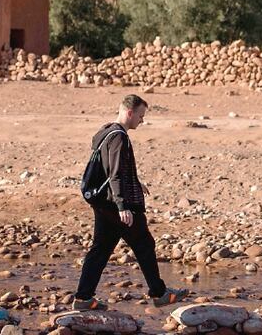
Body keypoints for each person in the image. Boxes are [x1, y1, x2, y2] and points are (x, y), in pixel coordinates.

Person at [74, 94, 188, 310]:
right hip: (116, 204)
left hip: (103, 201)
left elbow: (111, 169)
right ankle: (159, 293)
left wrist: (136, 181)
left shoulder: (106, 132)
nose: (142, 121)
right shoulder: (119, 137)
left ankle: (83, 298)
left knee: (100, 249)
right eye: (141, 116)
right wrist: (122, 207)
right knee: (144, 244)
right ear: (130, 113)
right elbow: (115, 173)